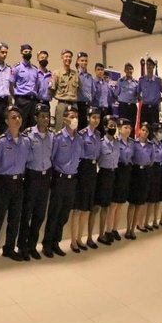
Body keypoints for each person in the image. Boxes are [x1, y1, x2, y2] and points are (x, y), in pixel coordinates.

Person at [0, 105, 30, 264]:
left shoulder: (26, 141)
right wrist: (4, 175)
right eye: (13, 117)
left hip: (19, 183)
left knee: (15, 219)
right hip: (3, 183)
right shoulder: (1, 141)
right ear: (6, 121)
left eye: (19, 117)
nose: (17, 119)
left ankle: (9, 249)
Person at [42, 105, 82, 258]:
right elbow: (51, 158)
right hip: (60, 179)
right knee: (54, 213)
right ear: (65, 119)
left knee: (64, 214)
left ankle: (55, 242)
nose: (74, 120)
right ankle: (47, 244)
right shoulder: (58, 137)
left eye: (76, 117)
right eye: (71, 116)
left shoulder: (79, 138)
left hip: (72, 180)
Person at [17, 103, 53, 260]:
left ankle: (32, 246)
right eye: (42, 116)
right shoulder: (28, 135)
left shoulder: (53, 136)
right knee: (27, 214)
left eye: (47, 116)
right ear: (35, 118)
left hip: (46, 177)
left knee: (39, 214)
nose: (45, 119)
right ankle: (22, 247)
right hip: (32, 176)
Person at [71, 107, 101, 252]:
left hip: (93, 171)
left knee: (87, 208)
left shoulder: (98, 135)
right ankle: (73, 240)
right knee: (78, 208)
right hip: (83, 169)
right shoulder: (82, 134)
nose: (96, 120)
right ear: (88, 118)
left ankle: (80, 238)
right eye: (93, 117)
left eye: (98, 117)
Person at [104, 118, 133, 242]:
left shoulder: (132, 143)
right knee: (114, 204)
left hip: (127, 172)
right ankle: (108, 229)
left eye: (129, 128)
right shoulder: (116, 142)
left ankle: (115, 228)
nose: (128, 130)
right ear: (120, 129)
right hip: (118, 171)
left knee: (121, 203)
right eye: (125, 127)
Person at [94, 116, 121, 246]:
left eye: (114, 126)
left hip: (113, 175)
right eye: (110, 125)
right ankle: (91, 236)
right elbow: (97, 160)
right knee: (97, 207)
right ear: (105, 127)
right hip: (102, 175)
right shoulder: (100, 143)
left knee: (107, 206)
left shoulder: (117, 143)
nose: (113, 128)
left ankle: (103, 233)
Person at [126, 122, 153, 239]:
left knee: (139, 203)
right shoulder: (133, 143)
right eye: (143, 130)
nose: (145, 132)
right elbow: (130, 157)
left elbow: (152, 160)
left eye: (147, 131)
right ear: (139, 131)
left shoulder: (150, 145)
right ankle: (127, 228)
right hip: (135, 173)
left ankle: (133, 229)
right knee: (132, 203)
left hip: (145, 174)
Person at [10, 44, 39, 129]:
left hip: (33, 101)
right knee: (20, 125)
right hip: (21, 100)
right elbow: (11, 85)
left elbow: (36, 85)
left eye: (30, 52)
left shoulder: (35, 69)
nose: (28, 53)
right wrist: (15, 97)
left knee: (32, 126)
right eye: (26, 52)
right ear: (21, 53)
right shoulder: (16, 68)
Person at [49, 50, 79, 131]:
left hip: (74, 105)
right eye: (66, 56)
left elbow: (79, 90)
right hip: (62, 104)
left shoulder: (75, 74)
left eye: (70, 57)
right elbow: (52, 90)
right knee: (60, 128)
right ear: (62, 57)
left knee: (73, 128)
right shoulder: (56, 73)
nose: (68, 58)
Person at [144, 123, 162, 230]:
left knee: (156, 197)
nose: (161, 134)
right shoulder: (152, 144)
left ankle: (154, 220)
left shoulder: (161, 144)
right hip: (153, 169)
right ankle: (145, 221)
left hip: (159, 170)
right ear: (154, 133)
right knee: (150, 198)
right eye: (159, 132)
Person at [138, 58, 162, 128]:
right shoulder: (142, 80)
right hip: (145, 108)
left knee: (154, 129)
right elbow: (137, 93)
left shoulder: (158, 80)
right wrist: (142, 99)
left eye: (150, 65)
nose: (148, 67)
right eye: (147, 65)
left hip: (154, 109)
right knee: (143, 128)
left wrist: (157, 101)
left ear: (154, 67)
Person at [75, 52, 94, 130]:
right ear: (78, 61)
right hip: (78, 105)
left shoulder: (90, 77)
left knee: (87, 128)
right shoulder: (75, 75)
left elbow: (93, 91)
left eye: (86, 61)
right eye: (82, 60)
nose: (84, 62)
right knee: (79, 128)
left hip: (88, 105)